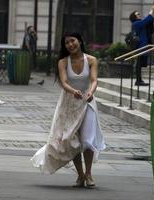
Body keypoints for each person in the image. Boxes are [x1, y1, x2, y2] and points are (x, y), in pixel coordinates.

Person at [31, 32, 105, 188]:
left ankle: (89, 174)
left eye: (73, 41)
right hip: (68, 104)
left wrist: (91, 92)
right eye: (67, 43)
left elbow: (93, 80)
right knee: (72, 141)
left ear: (80, 41)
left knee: (87, 140)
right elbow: (64, 82)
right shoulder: (63, 62)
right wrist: (72, 91)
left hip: (87, 102)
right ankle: (80, 175)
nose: (71, 45)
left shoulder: (91, 60)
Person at [129, 2, 154, 86]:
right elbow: (147, 20)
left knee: (141, 64)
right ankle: (138, 80)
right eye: (138, 14)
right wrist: (152, 10)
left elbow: (149, 21)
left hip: (144, 45)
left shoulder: (140, 23)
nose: (140, 14)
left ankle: (139, 80)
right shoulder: (136, 24)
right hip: (140, 46)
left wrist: (153, 11)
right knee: (139, 63)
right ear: (134, 16)